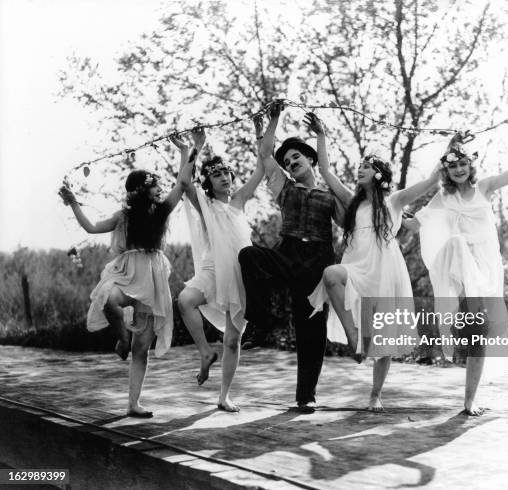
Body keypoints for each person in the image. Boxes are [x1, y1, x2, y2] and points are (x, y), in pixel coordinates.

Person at [57, 127, 204, 418]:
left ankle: (133, 403)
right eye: (153, 186)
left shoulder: (162, 210)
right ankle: (122, 337)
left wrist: (189, 150)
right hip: (126, 272)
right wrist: (74, 202)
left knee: (142, 347)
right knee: (109, 298)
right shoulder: (123, 216)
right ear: (139, 190)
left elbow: (183, 181)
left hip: (152, 277)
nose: (160, 190)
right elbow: (91, 227)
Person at [415, 107, 508, 415]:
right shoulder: (443, 198)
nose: (458, 169)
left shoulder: (484, 187)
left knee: (480, 335)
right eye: (452, 165)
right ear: (445, 170)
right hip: (460, 266)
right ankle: (454, 312)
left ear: (470, 167)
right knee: (456, 242)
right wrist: (388, 222)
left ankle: (469, 399)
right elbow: (421, 223)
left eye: (463, 164)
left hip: (486, 268)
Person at [307, 113, 440, 411]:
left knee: (383, 340)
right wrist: (321, 136)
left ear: (379, 174)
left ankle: (375, 394)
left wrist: (451, 149)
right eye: (359, 167)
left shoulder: (394, 201)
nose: (360, 171)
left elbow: (431, 181)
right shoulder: (353, 202)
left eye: (366, 167)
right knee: (330, 275)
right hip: (356, 263)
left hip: (384, 267)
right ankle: (355, 337)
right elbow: (326, 172)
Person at [238, 100, 346, 414]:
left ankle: (306, 396)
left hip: (318, 260)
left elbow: (348, 219)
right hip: (288, 253)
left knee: (311, 328)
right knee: (249, 256)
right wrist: (272, 121)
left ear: (311, 160)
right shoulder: (285, 187)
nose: (291, 161)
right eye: (287, 159)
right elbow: (265, 155)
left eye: (296, 156)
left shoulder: (329, 194)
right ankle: (263, 320)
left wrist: (322, 136)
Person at [175, 117, 265, 412]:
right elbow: (185, 183)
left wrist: (258, 131)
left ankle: (224, 395)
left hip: (239, 274)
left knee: (232, 340)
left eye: (227, 173)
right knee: (185, 299)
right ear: (209, 182)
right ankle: (204, 352)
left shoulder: (239, 200)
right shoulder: (207, 206)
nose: (225, 177)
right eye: (217, 175)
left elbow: (262, 168)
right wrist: (194, 149)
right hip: (213, 271)